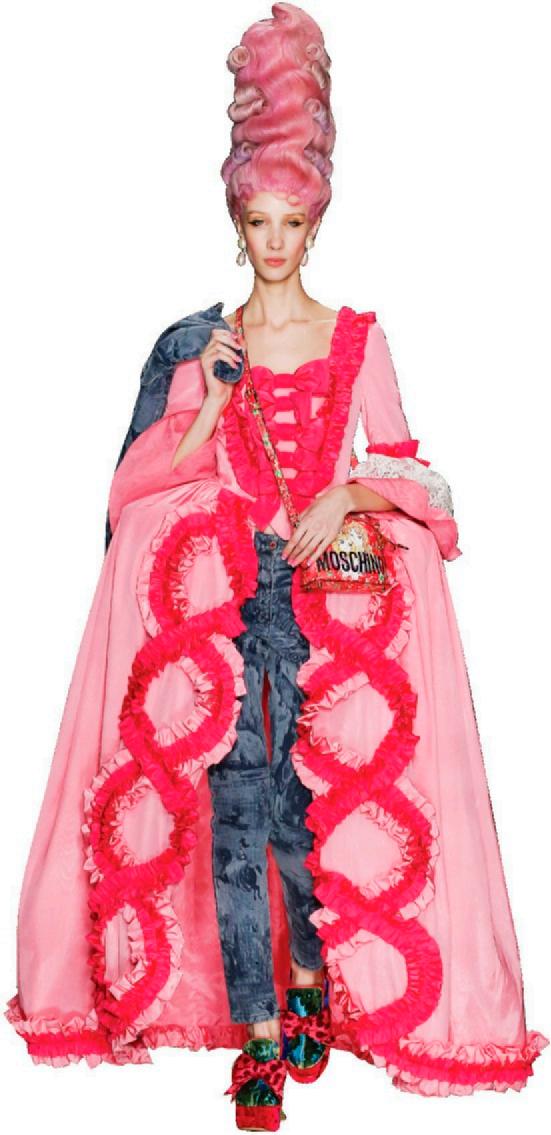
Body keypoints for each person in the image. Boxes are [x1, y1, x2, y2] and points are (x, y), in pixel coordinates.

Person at [5, 2, 548, 1130]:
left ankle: (309, 983)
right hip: (223, 602)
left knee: (312, 809)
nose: (273, 241)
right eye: (257, 221)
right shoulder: (201, 343)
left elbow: (416, 478)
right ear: (236, 221)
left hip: (333, 606)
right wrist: (207, 404)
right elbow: (130, 492)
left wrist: (348, 492)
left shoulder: (357, 340)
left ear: (314, 224)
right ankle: (255, 1030)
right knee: (233, 806)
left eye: (290, 222)